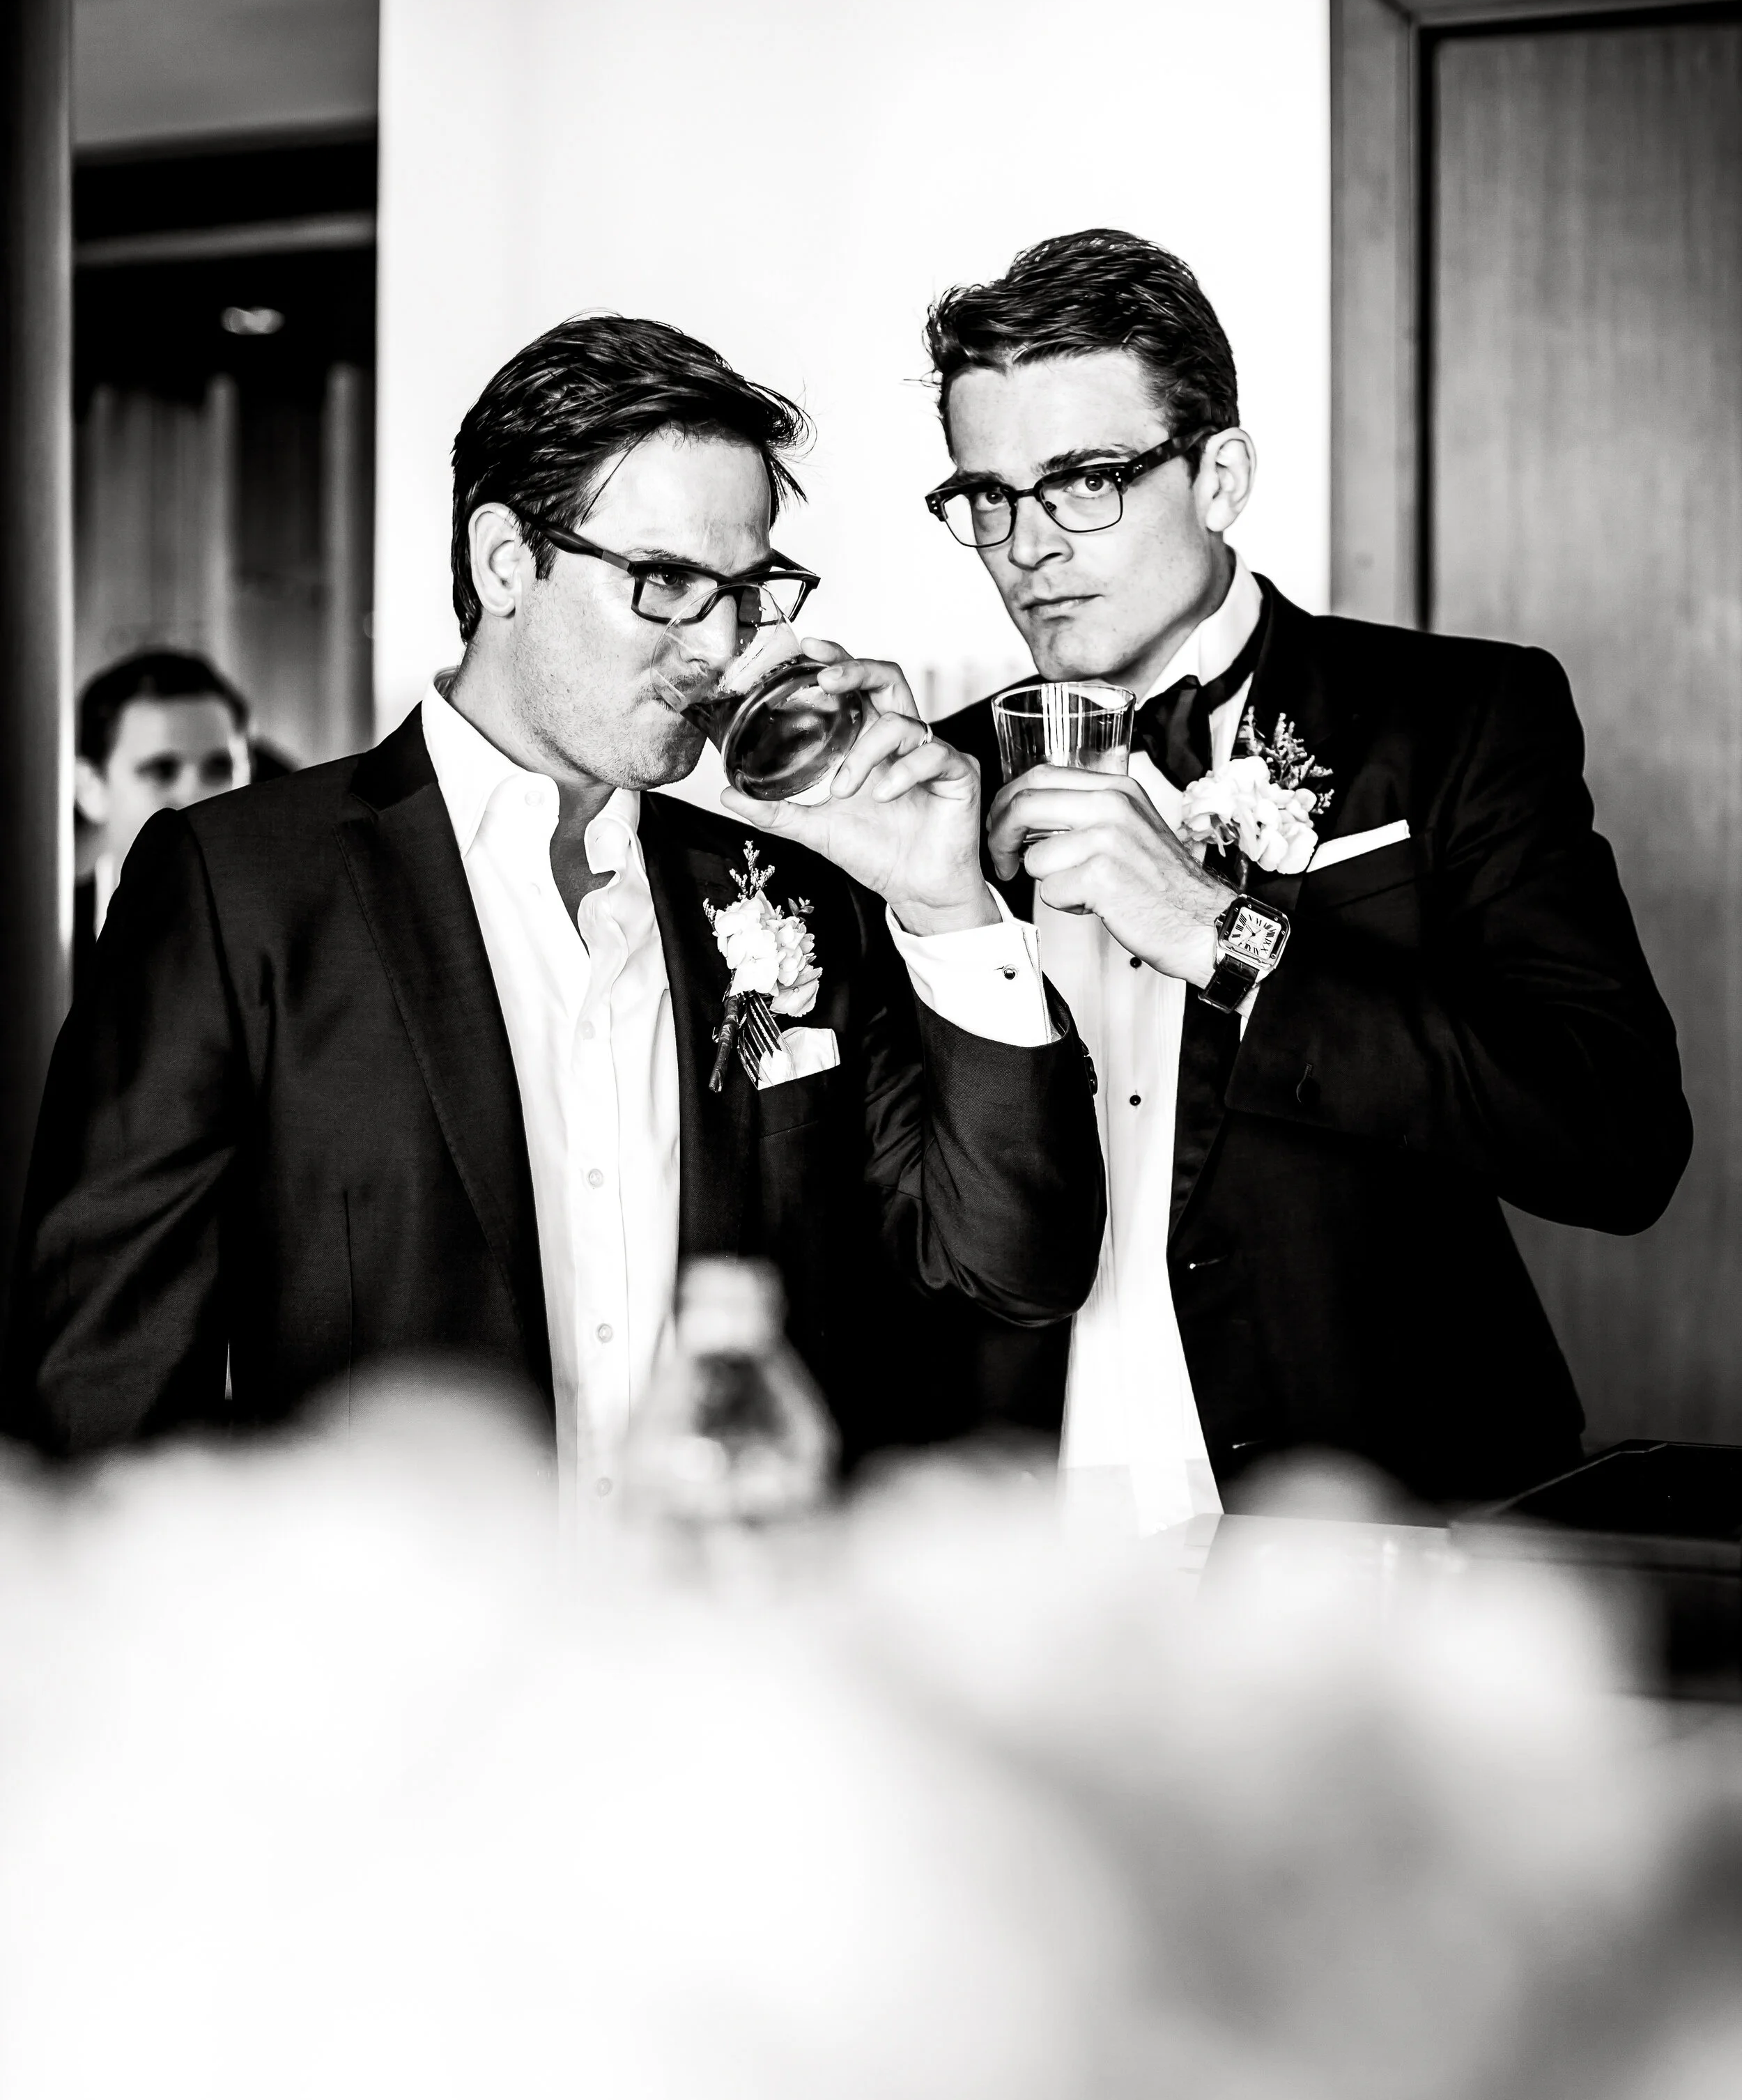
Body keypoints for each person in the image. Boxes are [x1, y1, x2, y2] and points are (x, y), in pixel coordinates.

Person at [5, 316, 1103, 1487]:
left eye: (746, 592)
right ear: (504, 563)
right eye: (666, 583)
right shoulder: (240, 890)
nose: (716, 645)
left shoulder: (793, 890)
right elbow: (108, 1386)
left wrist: (946, 906)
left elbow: (1011, 1276)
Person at [916, 228, 1690, 1520]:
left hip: (1376, 1512)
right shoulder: (938, 790)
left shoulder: (1455, 718)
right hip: (1020, 1535)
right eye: (987, 496)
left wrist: (1222, 934)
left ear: (1219, 476)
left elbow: (1614, 1139)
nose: (1026, 545)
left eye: (1084, 482)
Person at [71, 649, 252, 996]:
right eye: (161, 770)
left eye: (219, 769)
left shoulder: (297, 935)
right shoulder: (38, 943)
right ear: (91, 788)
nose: (197, 798)